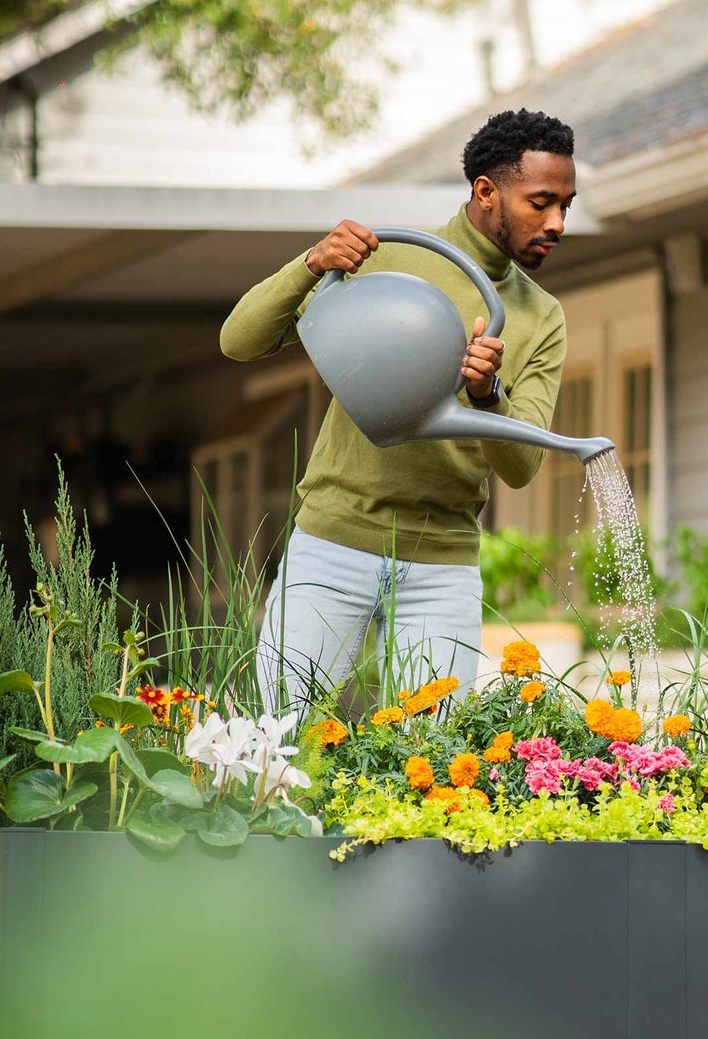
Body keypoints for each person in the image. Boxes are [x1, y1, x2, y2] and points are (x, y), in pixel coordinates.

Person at [220, 109, 577, 711]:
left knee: (434, 764)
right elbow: (239, 341)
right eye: (541, 202)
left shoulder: (543, 317)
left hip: (443, 565)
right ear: (486, 192)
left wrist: (488, 394)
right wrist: (311, 262)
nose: (558, 222)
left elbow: (520, 467)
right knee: (280, 741)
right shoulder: (386, 260)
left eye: (566, 204)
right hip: (333, 542)